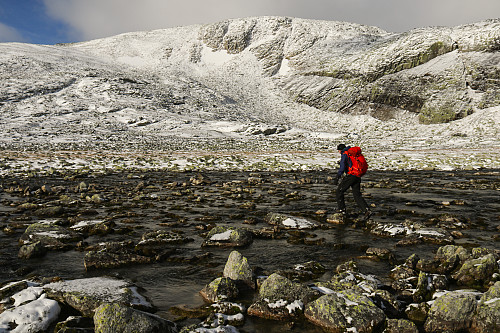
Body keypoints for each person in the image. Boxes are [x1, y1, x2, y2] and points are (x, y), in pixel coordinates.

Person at [333, 143, 372, 221]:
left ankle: (342, 210)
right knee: (357, 195)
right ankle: (366, 210)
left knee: (339, 191)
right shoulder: (353, 153)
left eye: (338, 151)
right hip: (357, 176)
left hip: (351, 175)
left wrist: (338, 176)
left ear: (340, 150)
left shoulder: (345, 154)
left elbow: (342, 166)